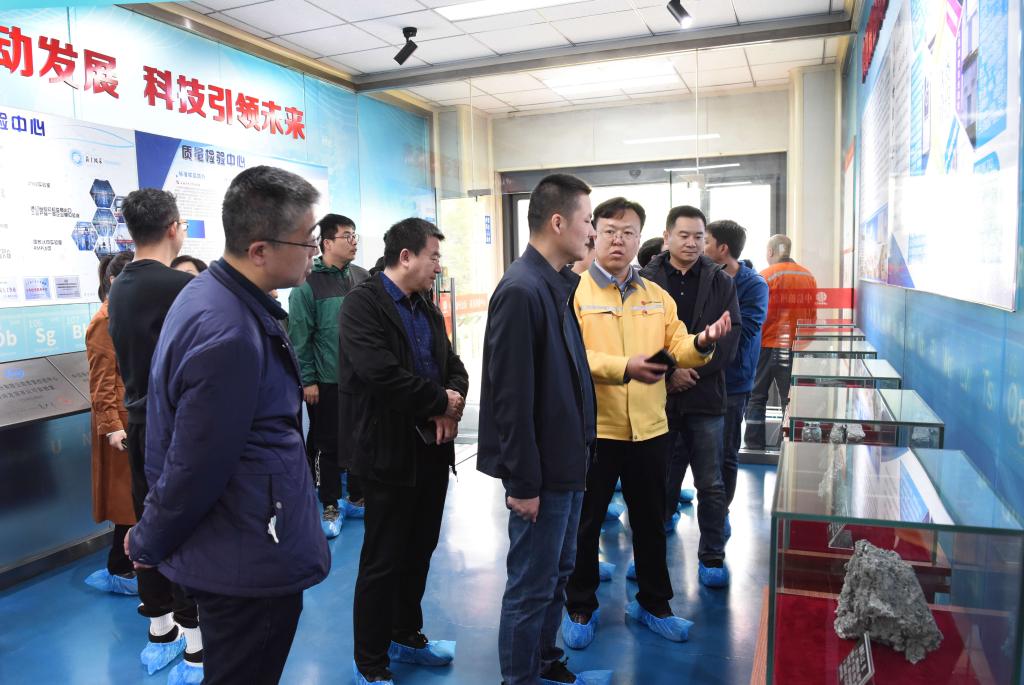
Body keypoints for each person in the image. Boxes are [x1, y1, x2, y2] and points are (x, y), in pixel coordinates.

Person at [125, 166, 330, 685]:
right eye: (307, 239)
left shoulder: (215, 296)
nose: (315, 250)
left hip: (242, 536)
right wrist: (148, 540)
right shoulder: (231, 332)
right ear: (259, 250)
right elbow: (194, 465)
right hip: (247, 555)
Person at [562, 197, 730, 650]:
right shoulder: (574, 294)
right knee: (586, 524)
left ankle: (653, 604)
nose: (619, 240)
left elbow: (678, 345)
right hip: (596, 431)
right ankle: (580, 605)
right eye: (610, 231)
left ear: (641, 238)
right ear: (594, 234)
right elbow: (573, 358)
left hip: (652, 429)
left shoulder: (655, 297)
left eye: (629, 232)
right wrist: (624, 368)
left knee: (652, 522)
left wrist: (703, 342)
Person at [477, 173, 606, 685]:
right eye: (588, 220)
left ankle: (545, 663)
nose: (593, 232)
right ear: (557, 222)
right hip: (542, 474)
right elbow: (510, 401)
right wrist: (524, 483)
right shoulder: (521, 291)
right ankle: (520, 678)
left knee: (556, 575)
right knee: (531, 585)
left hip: (567, 463)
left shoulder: (555, 284)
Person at [339, 218, 468, 685]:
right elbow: (380, 373)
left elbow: (453, 364)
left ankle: (405, 634)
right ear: (406, 256)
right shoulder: (363, 304)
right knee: (383, 558)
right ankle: (370, 663)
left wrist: (452, 401)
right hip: (387, 453)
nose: (438, 266)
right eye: (433, 256)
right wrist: (438, 403)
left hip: (431, 449)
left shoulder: (426, 306)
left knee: (419, 550)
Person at [106, 189, 201, 679]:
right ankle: (197, 644)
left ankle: (160, 630)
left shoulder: (118, 286)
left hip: (140, 424)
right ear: (173, 228)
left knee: (147, 525)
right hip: (179, 426)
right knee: (187, 527)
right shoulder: (184, 288)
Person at [640, 205, 740, 588]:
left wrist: (691, 372)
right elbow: (638, 339)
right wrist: (670, 374)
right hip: (658, 397)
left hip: (706, 397)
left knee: (710, 483)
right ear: (667, 237)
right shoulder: (644, 281)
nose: (692, 243)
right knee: (655, 480)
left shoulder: (720, 281)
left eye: (699, 236)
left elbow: (730, 337)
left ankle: (712, 556)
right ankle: (648, 560)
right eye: (684, 235)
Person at [287, 213, 369, 536]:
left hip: (361, 380)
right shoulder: (307, 285)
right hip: (326, 381)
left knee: (361, 439)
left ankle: (357, 497)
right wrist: (308, 380)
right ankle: (330, 503)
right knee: (327, 444)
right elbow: (300, 338)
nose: (353, 242)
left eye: (354, 235)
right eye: (347, 236)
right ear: (327, 243)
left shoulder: (362, 277)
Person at [704, 220, 768, 519]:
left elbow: (747, 330)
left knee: (726, 453)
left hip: (733, 381)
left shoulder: (754, 285)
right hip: (698, 376)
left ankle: (720, 513)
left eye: (705, 241)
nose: (699, 246)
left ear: (722, 248)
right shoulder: (704, 277)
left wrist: (706, 337)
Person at [84, 251, 137, 596]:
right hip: (120, 422)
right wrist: (113, 426)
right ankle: (121, 567)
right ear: (115, 282)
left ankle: (127, 565)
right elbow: (101, 383)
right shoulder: (104, 320)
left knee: (134, 496)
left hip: (133, 413)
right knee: (126, 499)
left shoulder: (127, 314)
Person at [743, 234, 818, 450]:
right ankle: (787, 446)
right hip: (795, 347)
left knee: (756, 396)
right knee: (790, 398)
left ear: (770, 252)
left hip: (766, 345)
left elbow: (756, 315)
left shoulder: (765, 276)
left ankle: (753, 444)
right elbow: (812, 315)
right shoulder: (808, 276)